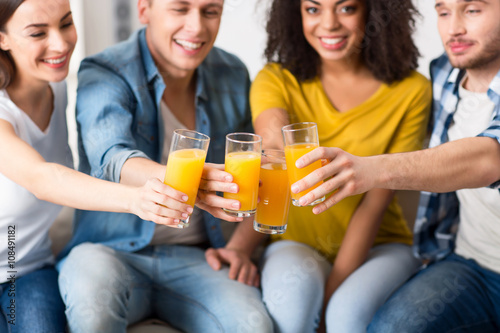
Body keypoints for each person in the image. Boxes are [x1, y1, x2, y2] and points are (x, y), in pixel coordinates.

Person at [57, 0, 273, 332]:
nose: (197, 26)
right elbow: (112, 156)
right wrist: (190, 183)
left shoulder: (232, 74)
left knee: (254, 325)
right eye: (180, 9)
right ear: (145, 10)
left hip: (199, 258)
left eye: (210, 11)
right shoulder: (106, 71)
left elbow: (259, 174)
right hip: (110, 252)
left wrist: (240, 247)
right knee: (92, 308)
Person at [288, 0, 500, 332]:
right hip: (468, 264)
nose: (453, 27)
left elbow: (489, 158)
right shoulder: (444, 72)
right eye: (443, 12)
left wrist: (371, 170)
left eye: (472, 10)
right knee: (388, 327)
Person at [0, 0, 191, 331]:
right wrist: (135, 199)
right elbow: (41, 178)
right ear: (2, 37)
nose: (60, 44)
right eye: (37, 33)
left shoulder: (56, 84)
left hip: (28, 270)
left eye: (66, 23)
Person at [242, 0, 432, 332]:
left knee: (347, 314)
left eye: (346, 8)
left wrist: (330, 297)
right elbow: (272, 139)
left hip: (380, 245)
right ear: (295, 14)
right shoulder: (276, 78)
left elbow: (376, 203)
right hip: (296, 243)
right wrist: (274, 148)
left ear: (373, 12)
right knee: (292, 310)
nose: (329, 24)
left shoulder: (412, 91)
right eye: (313, 9)